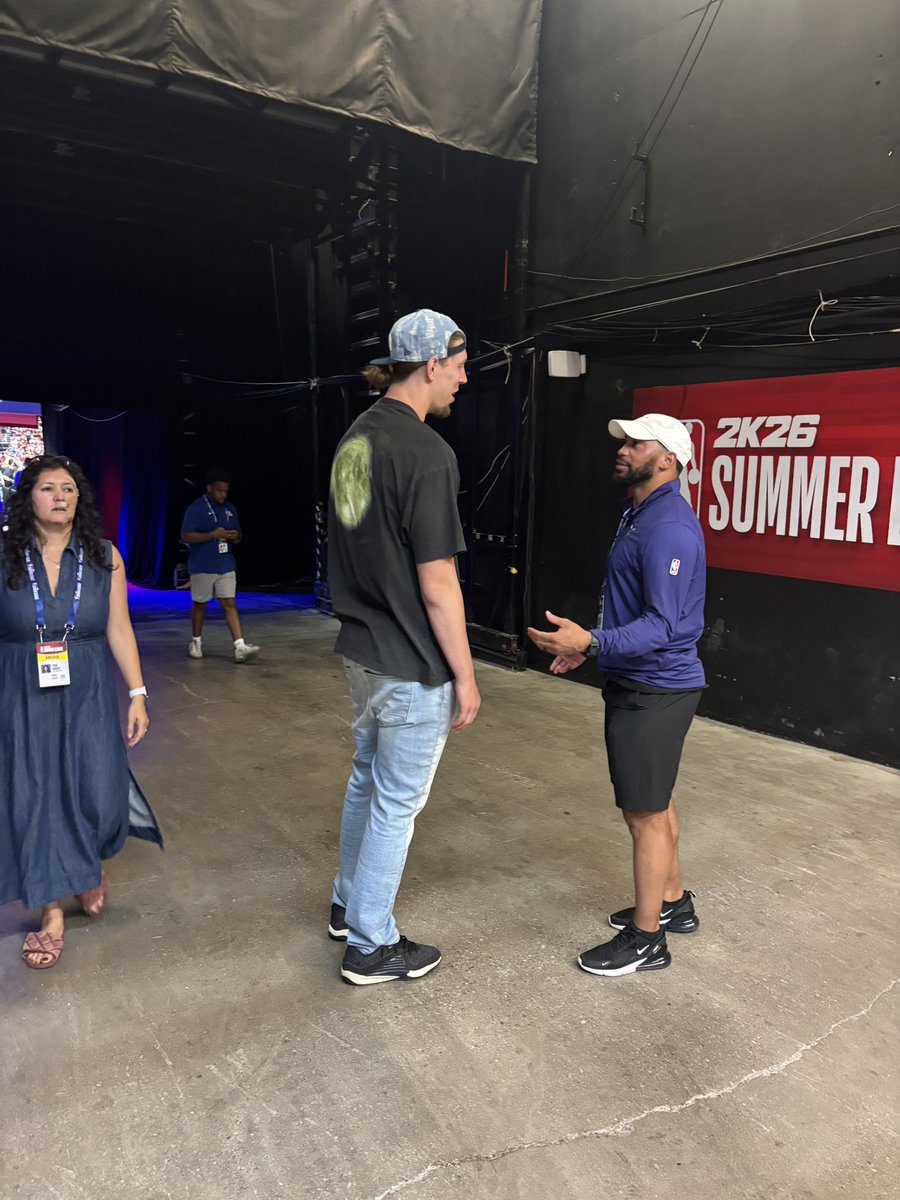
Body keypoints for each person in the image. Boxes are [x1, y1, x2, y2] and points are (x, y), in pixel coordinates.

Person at [327, 309, 481, 985]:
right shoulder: (425, 453)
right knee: (397, 801)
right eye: (459, 364)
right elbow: (439, 580)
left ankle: (346, 902)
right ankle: (370, 943)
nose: (464, 378)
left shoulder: (355, 441)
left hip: (361, 648)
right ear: (430, 364)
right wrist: (466, 677)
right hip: (409, 660)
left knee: (366, 777)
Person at [527, 413, 706, 977]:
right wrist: (590, 648)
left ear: (669, 459)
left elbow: (664, 625)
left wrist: (595, 639)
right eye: (624, 442)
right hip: (639, 681)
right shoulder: (639, 512)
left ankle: (648, 939)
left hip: (657, 689)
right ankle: (673, 903)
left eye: (636, 443)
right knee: (658, 800)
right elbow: (634, 609)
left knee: (644, 815)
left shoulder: (670, 526)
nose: (624, 449)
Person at [0, 455, 162, 969]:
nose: (60, 496)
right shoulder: (6, 556)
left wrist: (137, 693)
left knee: (98, 787)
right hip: (20, 688)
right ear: (28, 499)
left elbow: (118, 628)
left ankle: (88, 864)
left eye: (68, 488)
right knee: (35, 794)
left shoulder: (104, 556)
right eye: (47, 488)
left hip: (87, 687)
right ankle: (52, 908)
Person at [180, 470, 259, 663]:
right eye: (219, 491)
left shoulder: (230, 508)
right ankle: (196, 642)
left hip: (225, 563)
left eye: (225, 491)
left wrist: (235, 536)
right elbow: (186, 535)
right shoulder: (197, 508)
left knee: (229, 603)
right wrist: (212, 535)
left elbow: (238, 535)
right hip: (203, 565)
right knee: (200, 604)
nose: (223, 495)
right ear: (209, 489)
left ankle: (239, 645)